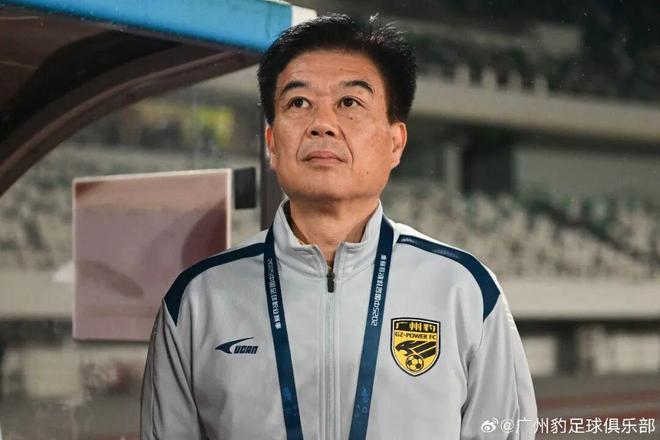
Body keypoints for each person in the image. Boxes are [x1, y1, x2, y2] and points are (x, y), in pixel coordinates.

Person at [140, 13, 537, 440]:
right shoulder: (198, 300)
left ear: (395, 142)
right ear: (272, 143)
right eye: (298, 103)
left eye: (349, 103)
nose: (322, 124)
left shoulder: (464, 290)